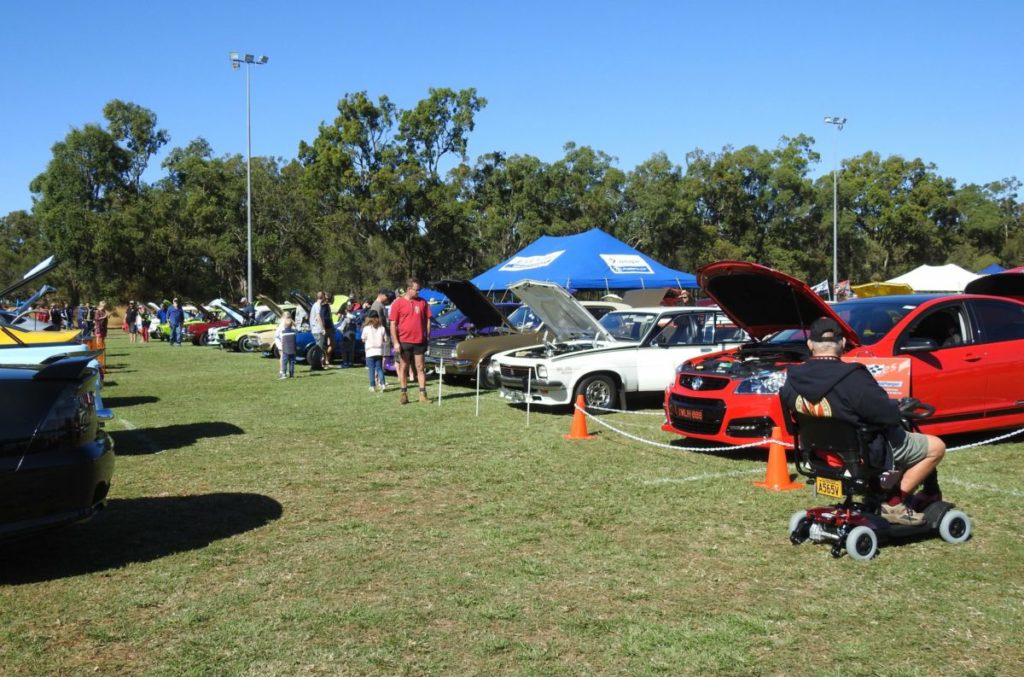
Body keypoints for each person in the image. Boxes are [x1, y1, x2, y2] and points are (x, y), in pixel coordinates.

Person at [780, 317, 945, 526]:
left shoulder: (791, 378)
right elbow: (887, 415)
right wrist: (898, 407)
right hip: (861, 453)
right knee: (935, 447)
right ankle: (894, 502)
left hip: (818, 453)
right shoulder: (853, 376)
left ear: (810, 344)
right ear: (841, 344)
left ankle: (880, 492)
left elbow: (792, 425)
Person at [389, 278, 432, 404]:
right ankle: (404, 393)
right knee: (404, 367)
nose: (419, 292)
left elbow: (428, 320)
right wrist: (396, 342)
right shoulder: (398, 303)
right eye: (416, 290)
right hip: (404, 341)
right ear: (409, 289)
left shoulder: (423, 302)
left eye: (419, 290)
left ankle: (423, 395)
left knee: (420, 367)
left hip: (419, 341)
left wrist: (427, 335)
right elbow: (393, 324)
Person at [362, 310, 386, 392]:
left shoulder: (366, 328)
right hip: (379, 351)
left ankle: (372, 386)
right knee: (379, 368)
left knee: (371, 369)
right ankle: (382, 384)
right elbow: (385, 339)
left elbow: (363, 339)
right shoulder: (382, 328)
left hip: (370, 351)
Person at [276, 312, 298, 379]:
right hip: (282, 343)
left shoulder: (288, 324)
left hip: (285, 344)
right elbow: (277, 335)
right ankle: (283, 371)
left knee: (284, 359)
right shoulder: (284, 324)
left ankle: (283, 373)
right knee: (284, 358)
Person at [309, 291, 326, 368]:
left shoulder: (314, 305)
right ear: (322, 297)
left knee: (317, 348)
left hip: (314, 329)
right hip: (318, 330)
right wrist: (322, 328)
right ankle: (317, 365)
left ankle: (315, 365)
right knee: (319, 348)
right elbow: (318, 317)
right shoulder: (318, 305)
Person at [338, 302, 357, 367]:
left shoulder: (346, 318)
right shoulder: (355, 317)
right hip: (353, 333)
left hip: (346, 334)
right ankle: (351, 362)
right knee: (351, 349)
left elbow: (342, 327)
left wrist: (339, 329)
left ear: (346, 310)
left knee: (344, 349)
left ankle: (345, 362)